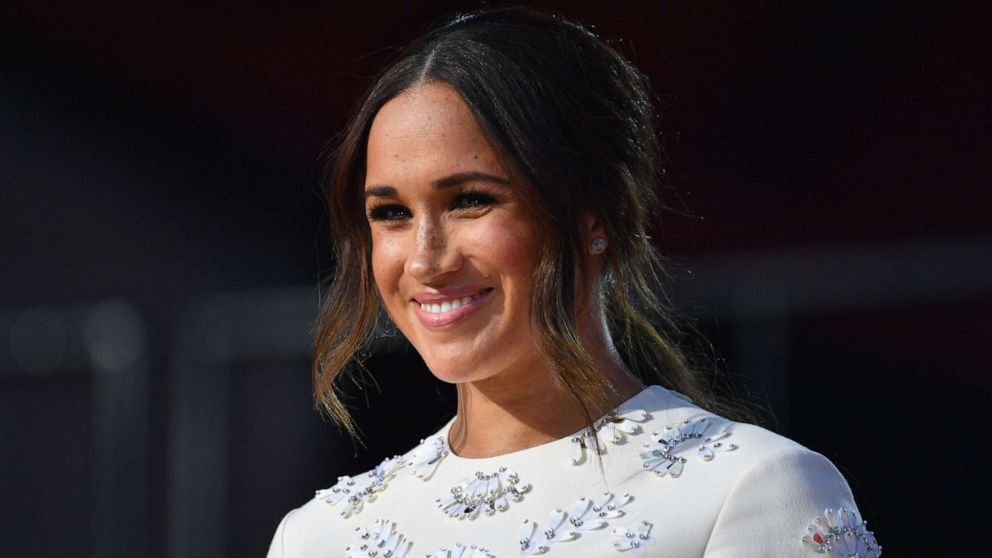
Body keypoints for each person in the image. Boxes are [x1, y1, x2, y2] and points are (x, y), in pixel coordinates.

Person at [268, 7, 880, 558]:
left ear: (597, 217)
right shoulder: (320, 536)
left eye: (471, 201)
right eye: (391, 213)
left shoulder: (750, 490)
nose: (426, 261)